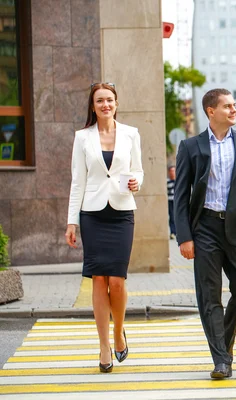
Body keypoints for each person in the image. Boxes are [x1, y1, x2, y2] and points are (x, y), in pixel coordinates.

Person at [173, 88, 236, 379]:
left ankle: (223, 345)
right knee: (209, 295)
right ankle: (221, 360)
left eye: (234, 105)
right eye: (227, 106)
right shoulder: (190, 147)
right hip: (205, 229)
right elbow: (180, 196)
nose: (233, 110)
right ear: (210, 111)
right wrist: (184, 236)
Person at [65, 82, 143, 373]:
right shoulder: (82, 138)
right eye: (100, 101)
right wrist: (72, 220)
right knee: (98, 279)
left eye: (109, 100)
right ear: (93, 105)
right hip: (93, 214)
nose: (105, 105)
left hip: (122, 211)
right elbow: (78, 181)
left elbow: (138, 170)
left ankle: (119, 331)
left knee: (117, 281)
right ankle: (103, 346)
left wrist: (138, 181)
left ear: (116, 103)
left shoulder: (131, 134)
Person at [167, 165, 176, 239]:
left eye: (173, 171)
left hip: (177, 201)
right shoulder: (167, 181)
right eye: (171, 171)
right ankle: (173, 232)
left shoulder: (179, 180)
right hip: (170, 201)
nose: (172, 173)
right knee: (172, 217)